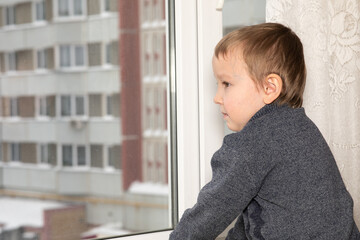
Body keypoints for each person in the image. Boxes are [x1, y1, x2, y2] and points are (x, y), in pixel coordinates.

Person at [169, 23, 360, 240]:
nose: (217, 97)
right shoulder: (302, 128)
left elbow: (210, 212)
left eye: (226, 84)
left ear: (270, 88)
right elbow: (256, 213)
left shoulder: (253, 143)